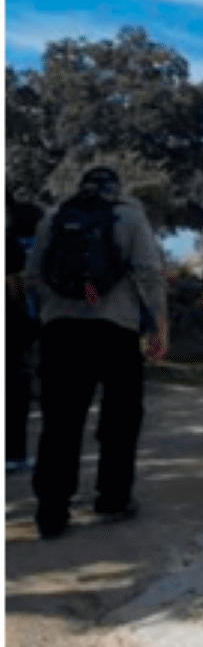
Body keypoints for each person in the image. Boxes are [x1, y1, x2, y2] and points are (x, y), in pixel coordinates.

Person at [22, 166, 168, 538]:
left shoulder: (53, 219)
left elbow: (32, 275)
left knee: (60, 421)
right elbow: (149, 273)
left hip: (61, 331)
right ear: (116, 188)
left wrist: (59, 304)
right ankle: (113, 498)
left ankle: (51, 510)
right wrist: (158, 327)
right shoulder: (130, 215)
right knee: (120, 418)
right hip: (115, 329)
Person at [6, 197, 43, 473]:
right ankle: (14, 454)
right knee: (17, 391)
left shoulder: (8, 243)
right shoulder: (38, 247)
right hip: (25, 325)